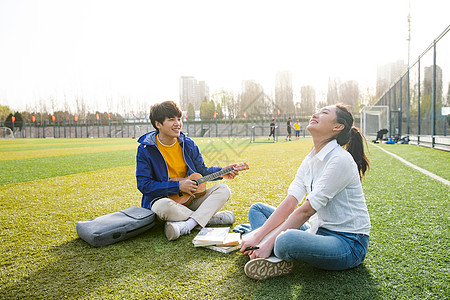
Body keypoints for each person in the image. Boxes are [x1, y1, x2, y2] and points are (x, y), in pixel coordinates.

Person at [241, 103, 370, 280]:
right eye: (317, 111)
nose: (315, 114)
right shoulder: (311, 158)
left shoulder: (340, 160)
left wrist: (266, 241)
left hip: (348, 243)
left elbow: (306, 211)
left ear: (337, 127)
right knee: (257, 209)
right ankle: (265, 249)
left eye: (324, 113)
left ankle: (269, 249)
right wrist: (258, 236)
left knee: (285, 240)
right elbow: (291, 201)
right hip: (318, 230)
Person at [136, 101, 241, 241]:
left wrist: (221, 171)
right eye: (171, 119)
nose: (177, 123)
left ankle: (187, 225)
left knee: (223, 190)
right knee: (163, 207)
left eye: (179, 119)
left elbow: (201, 170)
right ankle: (209, 218)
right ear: (158, 124)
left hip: (190, 198)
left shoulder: (188, 144)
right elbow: (144, 184)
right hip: (165, 201)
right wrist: (178, 185)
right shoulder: (146, 149)